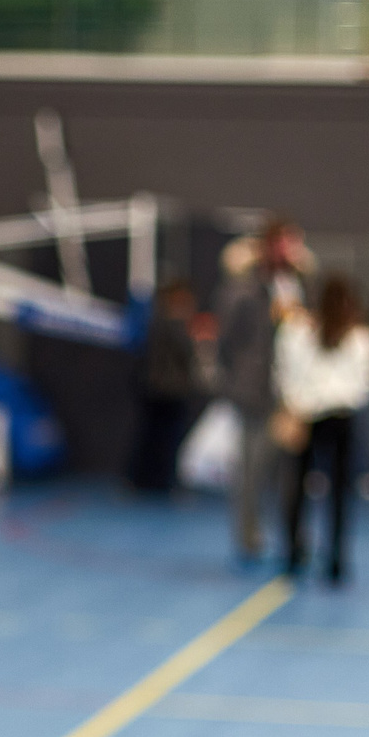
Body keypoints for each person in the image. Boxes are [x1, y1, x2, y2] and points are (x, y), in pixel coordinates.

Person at [214, 220, 314, 565]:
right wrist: (238, 379)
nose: (290, 250)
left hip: (293, 392)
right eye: (284, 242)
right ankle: (248, 535)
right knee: (251, 469)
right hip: (253, 392)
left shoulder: (298, 285)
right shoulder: (243, 288)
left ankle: (292, 537)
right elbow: (226, 341)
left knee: (291, 471)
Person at [277, 275, 369, 585]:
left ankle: (295, 553)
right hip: (338, 416)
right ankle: (335, 556)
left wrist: (296, 401)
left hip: (308, 414)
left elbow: (284, 372)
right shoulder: (358, 338)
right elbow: (366, 383)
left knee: (297, 488)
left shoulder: (300, 333)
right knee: (338, 491)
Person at [126, 280, 207, 495]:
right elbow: (185, 351)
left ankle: (145, 481)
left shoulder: (156, 319)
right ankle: (157, 482)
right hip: (167, 390)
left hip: (158, 389)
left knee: (153, 437)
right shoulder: (172, 321)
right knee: (163, 439)